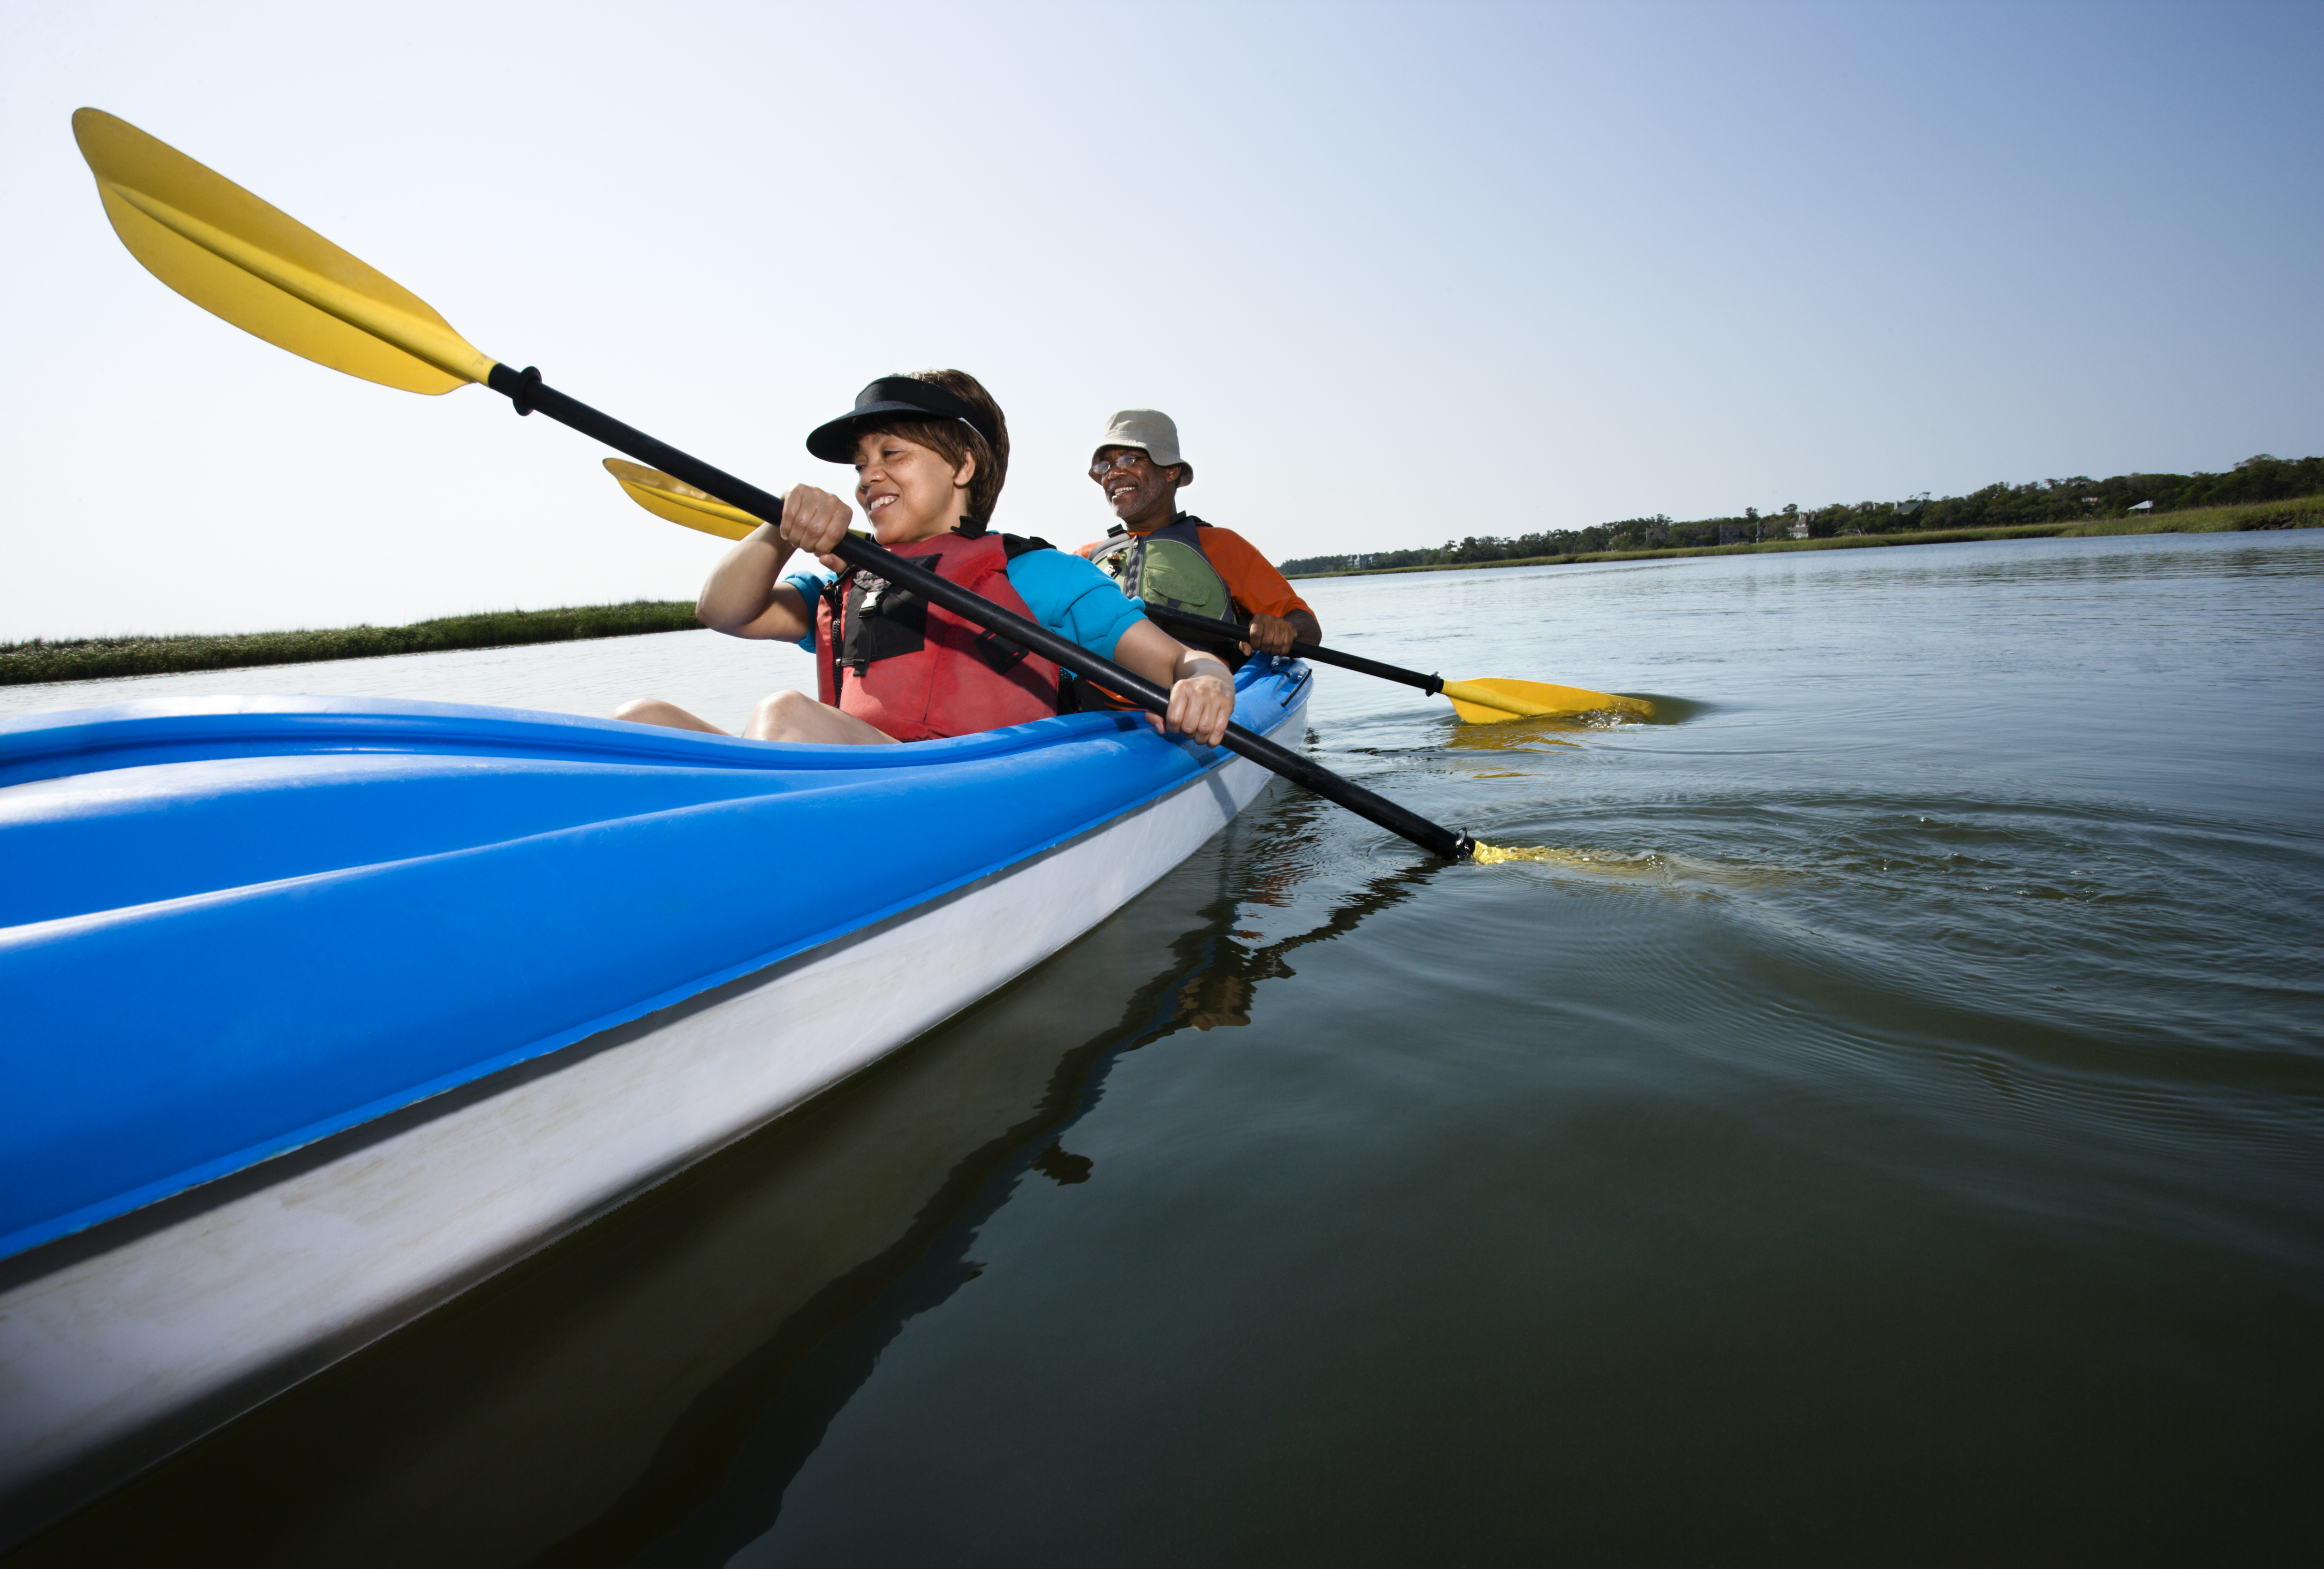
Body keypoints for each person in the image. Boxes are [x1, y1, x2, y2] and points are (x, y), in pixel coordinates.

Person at [612, 371, 1236, 747]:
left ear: (963, 466)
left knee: (786, 717)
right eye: (860, 464)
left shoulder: (1037, 576)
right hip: (854, 793)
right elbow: (721, 609)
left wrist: (1207, 683)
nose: (868, 476)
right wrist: (779, 529)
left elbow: (1180, 659)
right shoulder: (843, 583)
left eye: (892, 453)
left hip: (972, 795)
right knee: (642, 723)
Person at [1079, 409, 1321, 682]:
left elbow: (1308, 628)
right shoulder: (1086, 559)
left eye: (1128, 460)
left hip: (1196, 703)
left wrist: (1284, 629)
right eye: (1105, 467)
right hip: (1095, 710)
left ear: (1171, 471)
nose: (1113, 474)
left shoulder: (1222, 546)